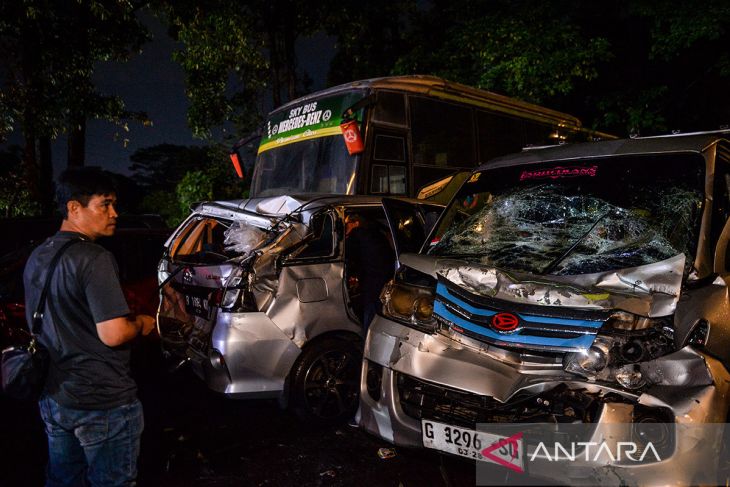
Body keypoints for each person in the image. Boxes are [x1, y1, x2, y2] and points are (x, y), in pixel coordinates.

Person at [23, 168, 156, 487]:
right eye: (105, 204)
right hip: (103, 402)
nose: (114, 214)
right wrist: (143, 323)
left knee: (64, 479)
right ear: (73, 208)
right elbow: (114, 334)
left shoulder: (40, 254)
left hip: (56, 396)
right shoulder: (93, 258)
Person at [344, 213, 395, 331]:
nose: (345, 227)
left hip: (371, 279)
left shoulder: (356, 235)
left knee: (370, 311)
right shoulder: (377, 234)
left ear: (356, 223)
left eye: (347, 224)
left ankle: (368, 337)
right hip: (384, 278)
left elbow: (348, 257)